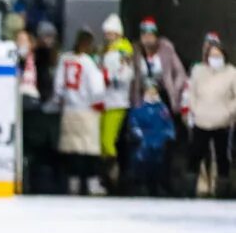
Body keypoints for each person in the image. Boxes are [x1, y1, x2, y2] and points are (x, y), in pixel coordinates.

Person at [58, 29, 107, 195]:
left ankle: (73, 183)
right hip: (87, 110)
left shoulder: (65, 59)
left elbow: (58, 86)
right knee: (90, 149)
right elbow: (96, 87)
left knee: (72, 149)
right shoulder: (88, 62)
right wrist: (99, 103)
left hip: (69, 110)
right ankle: (92, 183)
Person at [186, 37, 236, 199]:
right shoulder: (198, 71)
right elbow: (191, 92)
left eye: (218, 56)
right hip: (201, 119)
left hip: (222, 121)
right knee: (195, 154)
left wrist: (229, 112)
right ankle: (190, 188)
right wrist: (195, 109)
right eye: (212, 56)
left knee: (222, 156)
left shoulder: (231, 73)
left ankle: (222, 189)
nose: (215, 59)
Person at [19, 22, 64, 195]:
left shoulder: (54, 56)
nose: (48, 40)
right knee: (33, 147)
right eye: (45, 36)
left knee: (48, 149)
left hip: (47, 108)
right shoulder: (35, 55)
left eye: (51, 36)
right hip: (33, 107)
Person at [98, 14, 135, 186]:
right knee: (102, 142)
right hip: (106, 101)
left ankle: (112, 173)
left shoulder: (122, 50)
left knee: (107, 140)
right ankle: (107, 174)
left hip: (117, 102)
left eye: (110, 33)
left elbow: (126, 74)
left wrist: (110, 78)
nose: (107, 36)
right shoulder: (109, 50)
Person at [124, 82, 176, 197]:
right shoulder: (138, 109)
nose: (152, 94)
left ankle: (158, 185)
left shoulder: (162, 109)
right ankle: (140, 184)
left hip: (159, 140)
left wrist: (167, 135)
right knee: (141, 160)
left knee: (160, 161)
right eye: (149, 91)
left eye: (154, 92)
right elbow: (133, 125)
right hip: (144, 141)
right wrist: (139, 135)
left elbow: (169, 125)